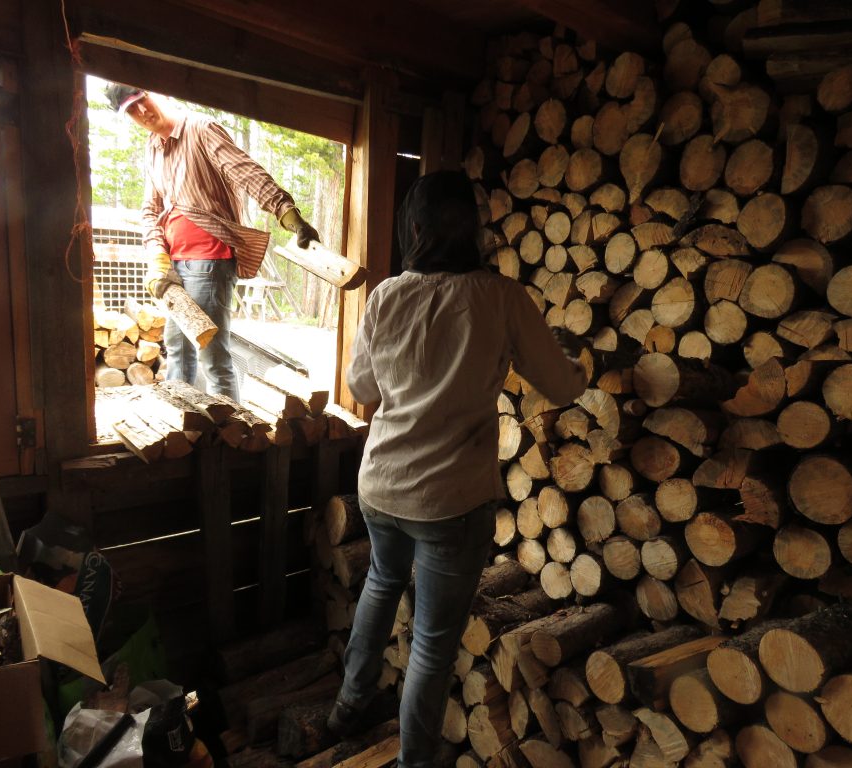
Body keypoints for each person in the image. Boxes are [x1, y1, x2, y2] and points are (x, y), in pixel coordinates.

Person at [329, 170, 589, 767]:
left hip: (381, 485)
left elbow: (361, 385)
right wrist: (584, 371)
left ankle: (348, 706)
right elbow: (558, 384)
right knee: (431, 646)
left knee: (379, 583)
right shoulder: (499, 297)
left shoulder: (387, 295)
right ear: (473, 228)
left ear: (413, 228)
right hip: (450, 500)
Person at [105, 83, 320, 401]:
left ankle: (229, 428)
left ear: (159, 92)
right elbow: (150, 210)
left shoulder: (200, 128)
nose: (142, 112)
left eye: (142, 100)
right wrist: (156, 256)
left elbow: (245, 172)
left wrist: (287, 212)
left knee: (213, 357)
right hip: (173, 265)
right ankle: (182, 418)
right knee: (177, 348)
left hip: (210, 259)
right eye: (131, 111)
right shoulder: (153, 147)